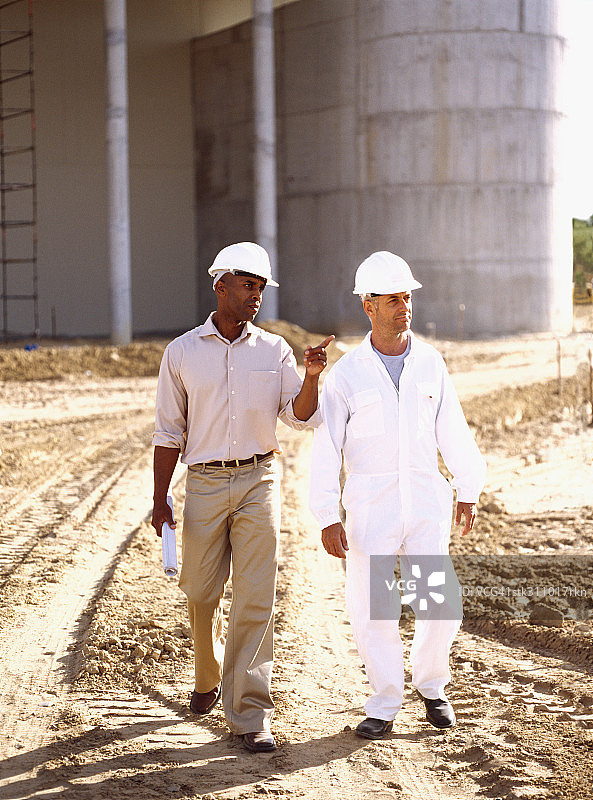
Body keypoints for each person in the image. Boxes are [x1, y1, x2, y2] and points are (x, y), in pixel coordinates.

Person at [151, 242, 333, 752]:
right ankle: (207, 672)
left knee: (255, 598)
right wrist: (160, 498)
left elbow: (299, 417)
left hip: (259, 481)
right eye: (248, 285)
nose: (256, 295)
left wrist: (312, 377)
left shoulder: (274, 350)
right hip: (204, 483)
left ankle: (251, 714)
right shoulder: (181, 352)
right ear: (221, 286)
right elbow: (168, 431)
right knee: (200, 592)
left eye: (261, 288)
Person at [309, 251, 485, 739]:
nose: (404, 307)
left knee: (439, 604)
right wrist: (327, 514)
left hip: (426, 503)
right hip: (371, 510)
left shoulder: (430, 363)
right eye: (392, 300)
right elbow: (326, 448)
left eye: (407, 298)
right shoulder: (346, 375)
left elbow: (453, 429)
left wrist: (467, 486)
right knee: (375, 610)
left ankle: (432, 687)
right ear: (368, 306)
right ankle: (385, 703)